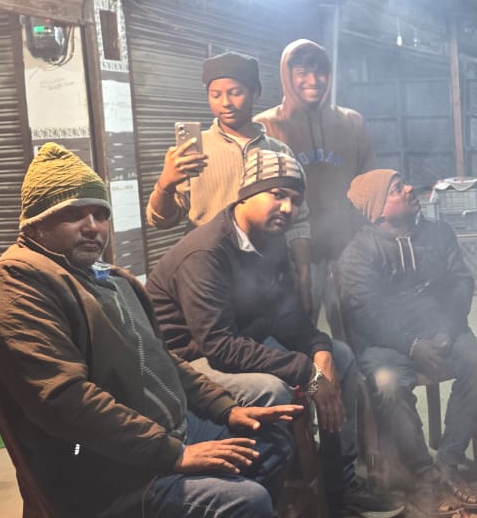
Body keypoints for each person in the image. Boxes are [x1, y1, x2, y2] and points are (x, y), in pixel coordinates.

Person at [0, 143, 300, 518]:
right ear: (36, 222)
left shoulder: (108, 278)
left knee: (272, 444)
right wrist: (175, 454)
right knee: (246, 500)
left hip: (154, 435)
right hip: (96, 467)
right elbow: (65, 401)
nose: (93, 227)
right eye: (73, 214)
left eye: (100, 214)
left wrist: (225, 410)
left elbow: (162, 359)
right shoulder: (13, 285)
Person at [147, 149, 403, 518]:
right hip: (189, 361)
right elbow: (218, 346)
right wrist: (308, 372)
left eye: (296, 200)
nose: (287, 208)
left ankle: (340, 486)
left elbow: (290, 319)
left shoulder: (272, 241)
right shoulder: (206, 252)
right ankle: (266, 497)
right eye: (277, 195)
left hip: (243, 341)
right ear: (246, 195)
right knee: (270, 390)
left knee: (342, 358)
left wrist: (321, 351)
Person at [337, 169, 477, 518]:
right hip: (385, 341)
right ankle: (425, 473)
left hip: (441, 329)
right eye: (397, 188)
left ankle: (449, 464)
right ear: (379, 209)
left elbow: (460, 283)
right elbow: (367, 317)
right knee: (387, 384)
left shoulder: (439, 233)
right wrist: (411, 346)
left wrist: (447, 330)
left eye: (404, 182)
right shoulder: (358, 254)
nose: (409, 188)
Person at [146, 52, 314, 315]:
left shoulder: (279, 151)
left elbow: (299, 220)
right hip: (209, 269)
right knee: (218, 336)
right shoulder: (193, 150)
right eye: (215, 95)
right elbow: (161, 221)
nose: (226, 103)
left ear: (255, 92)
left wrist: (304, 275)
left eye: (235, 92)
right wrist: (165, 185)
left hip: (266, 272)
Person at [255, 40, 376, 332]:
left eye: (320, 72)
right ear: (287, 76)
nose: (313, 80)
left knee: (354, 329)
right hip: (292, 252)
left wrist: (366, 238)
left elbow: (370, 183)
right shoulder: (266, 126)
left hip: (346, 247)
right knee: (298, 332)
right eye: (303, 73)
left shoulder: (352, 122)